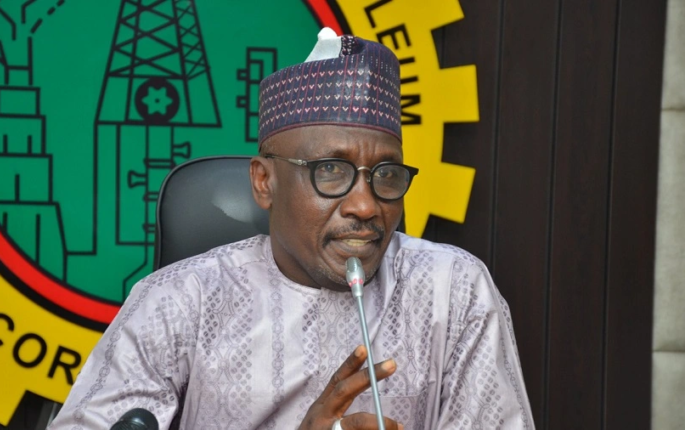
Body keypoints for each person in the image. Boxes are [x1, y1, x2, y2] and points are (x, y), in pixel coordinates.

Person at [48, 28, 535, 430]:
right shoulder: (181, 300)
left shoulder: (454, 291)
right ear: (265, 182)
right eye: (330, 171)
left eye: (386, 175)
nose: (366, 205)